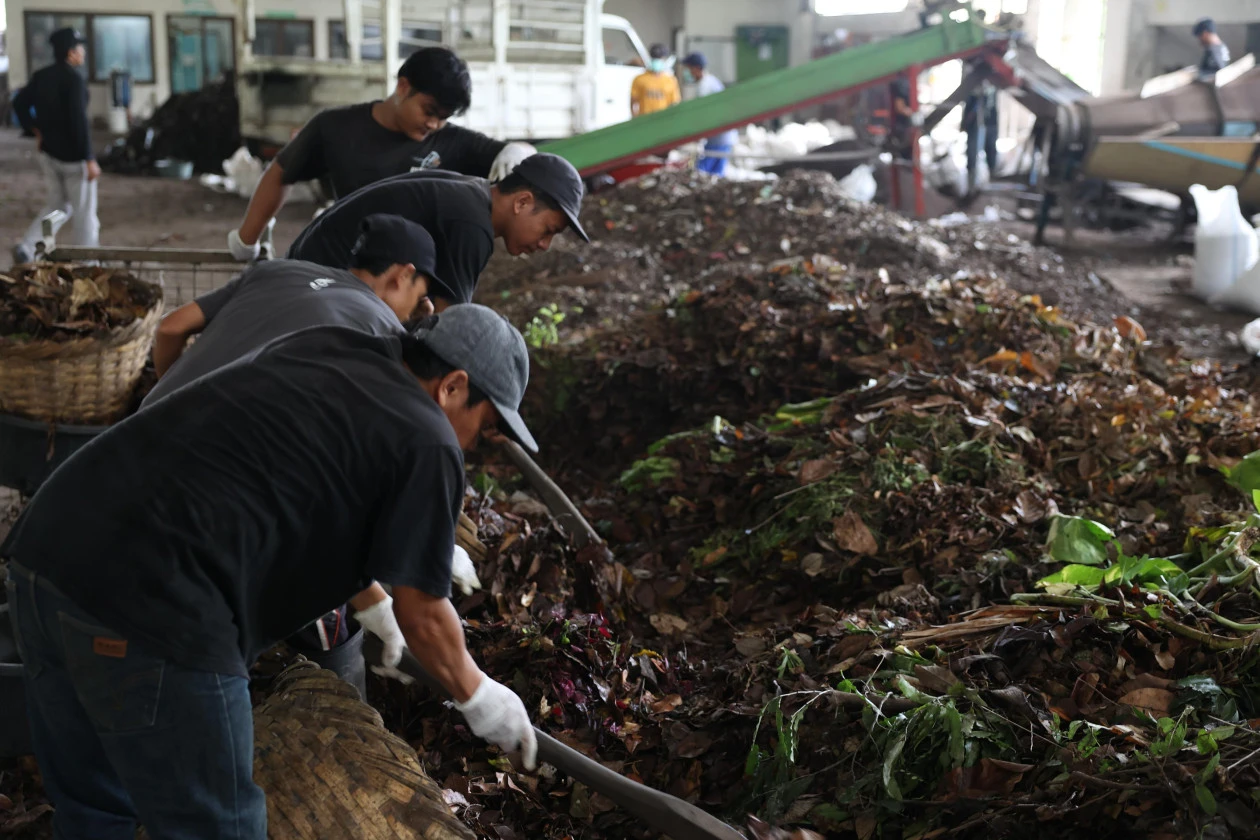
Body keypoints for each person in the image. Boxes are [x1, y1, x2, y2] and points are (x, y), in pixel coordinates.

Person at [3, 303, 540, 838]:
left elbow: (301, 492)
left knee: (95, 810)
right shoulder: (429, 436)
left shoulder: (334, 348)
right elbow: (424, 614)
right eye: (484, 427)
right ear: (452, 386)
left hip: (47, 552)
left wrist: (374, 604)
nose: (472, 445)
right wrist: (481, 697)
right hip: (153, 602)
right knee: (220, 828)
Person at [144, 213, 482, 698]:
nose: (417, 313)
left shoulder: (279, 271)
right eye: (420, 295)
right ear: (402, 275)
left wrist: (174, 397)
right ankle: (336, 700)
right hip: (210, 504)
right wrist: (376, 605)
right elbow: (321, 497)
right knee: (330, 621)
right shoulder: (376, 336)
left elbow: (172, 327)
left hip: (146, 445)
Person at [227, 46, 537, 262]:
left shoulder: (453, 141)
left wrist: (518, 151)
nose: (434, 124)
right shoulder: (335, 128)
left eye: (444, 117)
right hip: (348, 265)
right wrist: (247, 239)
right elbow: (281, 172)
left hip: (417, 279)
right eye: (429, 111)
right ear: (403, 87)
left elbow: (512, 154)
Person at [287, 154, 590, 301]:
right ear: (522, 202)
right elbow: (450, 331)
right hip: (314, 290)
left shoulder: (471, 192)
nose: (544, 245)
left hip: (301, 273)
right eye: (548, 230)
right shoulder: (473, 224)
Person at [11, 28, 100, 265]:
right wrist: (89, 158)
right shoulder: (74, 80)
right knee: (85, 214)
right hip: (74, 159)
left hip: (49, 153)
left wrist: (35, 130)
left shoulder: (42, 76)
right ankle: (88, 263)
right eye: (80, 48)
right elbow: (79, 122)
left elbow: (19, 103)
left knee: (58, 206)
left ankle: (30, 247)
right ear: (71, 53)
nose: (83, 52)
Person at [681, 53, 738, 178]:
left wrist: (696, 132)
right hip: (722, 136)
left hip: (719, 137)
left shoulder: (704, 86)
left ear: (696, 68)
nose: (687, 73)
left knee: (701, 174)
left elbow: (703, 114)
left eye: (689, 69)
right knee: (715, 176)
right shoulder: (711, 81)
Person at [962, 77, 999, 194]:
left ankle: (990, 180)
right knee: (972, 153)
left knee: (990, 150)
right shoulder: (972, 91)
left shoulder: (992, 89)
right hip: (974, 125)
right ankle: (971, 185)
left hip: (990, 123)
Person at [630, 44, 681, 117]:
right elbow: (633, 101)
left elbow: (675, 103)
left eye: (660, 58)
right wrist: (634, 118)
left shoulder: (671, 80)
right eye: (655, 57)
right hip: (644, 119)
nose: (657, 60)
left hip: (664, 119)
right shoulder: (639, 79)